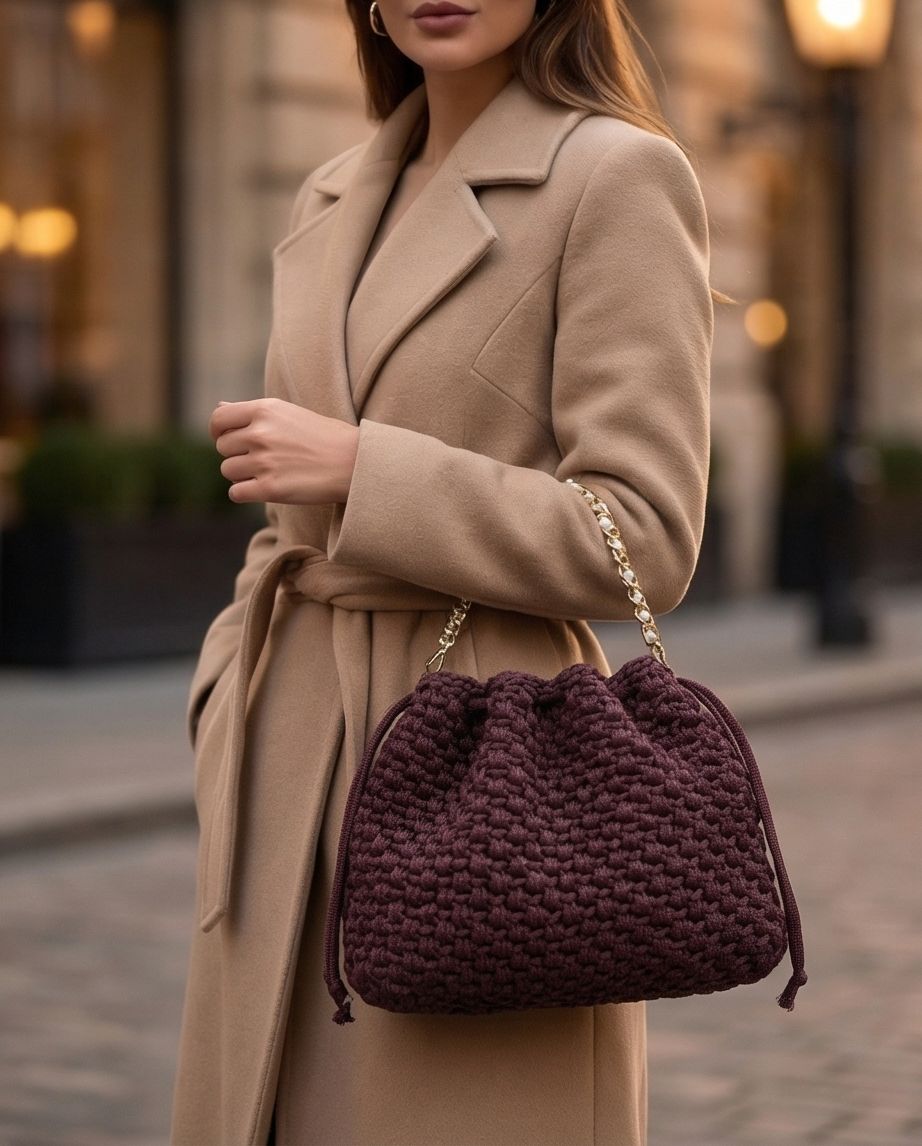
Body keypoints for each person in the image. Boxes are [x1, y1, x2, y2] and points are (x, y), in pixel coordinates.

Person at [169, 0, 717, 1141]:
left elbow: (644, 534)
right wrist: (228, 695)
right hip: (287, 747)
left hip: (486, 767)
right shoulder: (332, 191)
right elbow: (286, 518)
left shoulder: (615, 176)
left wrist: (366, 469)